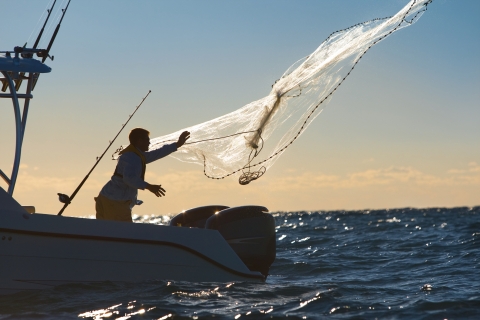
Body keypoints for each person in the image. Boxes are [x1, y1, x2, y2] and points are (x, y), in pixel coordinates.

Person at [95, 128, 190, 222]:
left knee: (105, 232)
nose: (149, 143)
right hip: (115, 202)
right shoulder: (131, 157)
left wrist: (177, 144)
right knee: (124, 234)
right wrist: (149, 186)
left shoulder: (136, 155)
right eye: (147, 140)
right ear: (140, 141)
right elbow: (129, 178)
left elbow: (158, 153)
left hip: (106, 198)